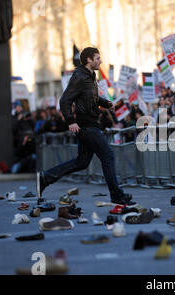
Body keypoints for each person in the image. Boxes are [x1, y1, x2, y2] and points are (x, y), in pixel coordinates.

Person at [36, 47, 135, 207]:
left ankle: (46, 178)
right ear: (89, 60)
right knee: (107, 156)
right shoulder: (80, 76)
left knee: (82, 162)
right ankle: (117, 195)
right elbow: (65, 100)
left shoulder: (90, 76)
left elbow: (90, 98)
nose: (100, 61)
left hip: (90, 123)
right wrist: (70, 121)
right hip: (86, 125)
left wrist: (106, 103)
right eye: (97, 58)